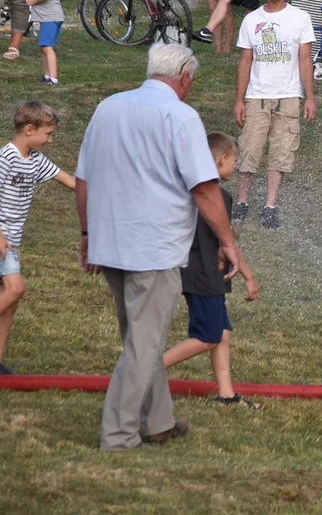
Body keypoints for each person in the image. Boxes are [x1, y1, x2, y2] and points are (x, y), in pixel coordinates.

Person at [76, 43, 245, 451]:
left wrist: (86, 235)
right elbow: (205, 188)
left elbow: (84, 178)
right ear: (184, 76)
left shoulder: (108, 107)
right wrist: (227, 242)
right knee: (143, 344)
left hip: (110, 240)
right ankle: (118, 435)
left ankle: (158, 421)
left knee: (140, 339)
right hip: (153, 247)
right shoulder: (180, 116)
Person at [163, 132, 261, 409]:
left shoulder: (188, 190)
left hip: (194, 271)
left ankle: (227, 395)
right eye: (234, 162)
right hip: (205, 274)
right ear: (221, 160)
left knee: (222, 332)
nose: (235, 167)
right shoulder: (219, 196)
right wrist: (249, 276)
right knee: (208, 336)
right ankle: (149, 371)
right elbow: (225, 241)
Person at [232, 0, 317, 230]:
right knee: (250, 148)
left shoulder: (300, 18)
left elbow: (305, 59)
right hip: (257, 95)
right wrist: (239, 99)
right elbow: (245, 61)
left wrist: (310, 97)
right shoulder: (251, 20)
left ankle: (270, 205)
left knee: (281, 152)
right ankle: (242, 201)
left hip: (289, 95)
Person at [0, 102, 75, 375]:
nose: (50, 139)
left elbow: (70, 182)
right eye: (48, 133)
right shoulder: (6, 157)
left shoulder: (36, 160)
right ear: (29, 129)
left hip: (12, 243)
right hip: (0, 240)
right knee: (16, 288)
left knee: (10, 302)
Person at [25, 0, 63, 85]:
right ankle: (47, 75)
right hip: (55, 16)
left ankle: (53, 78)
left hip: (49, 17)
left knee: (47, 47)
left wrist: (32, 1)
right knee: (43, 47)